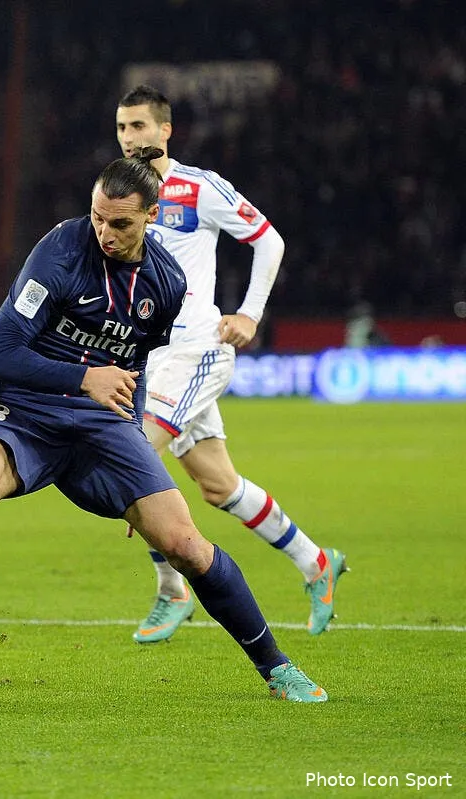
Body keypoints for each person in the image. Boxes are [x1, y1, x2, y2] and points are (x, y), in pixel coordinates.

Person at [0, 150, 328, 702]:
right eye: (98, 216)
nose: (105, 232)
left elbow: (133, 370)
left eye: (120, 222)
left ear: (151, 214)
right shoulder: (60, 250)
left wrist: (140, 458)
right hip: (24, 406)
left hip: (102, 426)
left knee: (186, 544)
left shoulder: (167, 284)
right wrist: (83, 378)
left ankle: (276, 667)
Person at [114, 85, 347, 642]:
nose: (129, 138)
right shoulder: (120, 197)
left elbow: (269, 240)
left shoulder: (199, 188)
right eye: (122, 128)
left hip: (198, 349)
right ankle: (317, 562)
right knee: (219, 487)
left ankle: (173, 589)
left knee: (130, 458)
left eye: (139, 127)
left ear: (165, 130)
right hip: (150, 358)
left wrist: (249, 313)